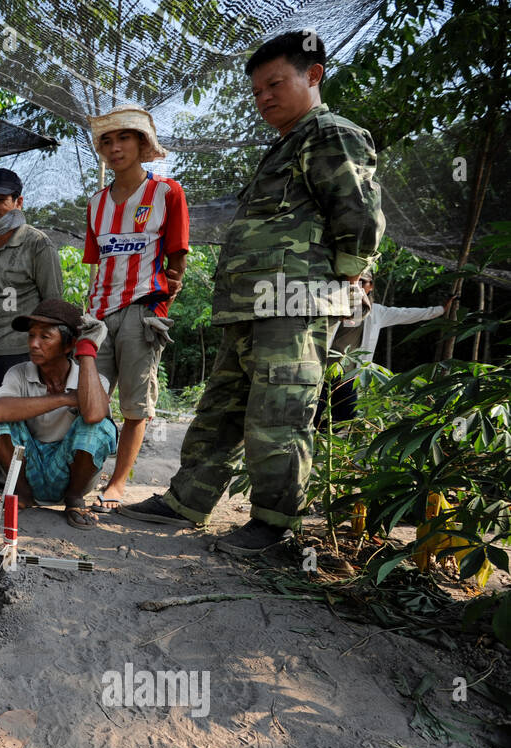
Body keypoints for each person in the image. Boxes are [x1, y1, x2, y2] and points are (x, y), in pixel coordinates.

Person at [122, 31, 385, 555]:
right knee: (221, 408)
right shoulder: (285, 144)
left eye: (275, 83)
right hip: (252, 304)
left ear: (313, 75)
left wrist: (351, 277)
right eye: (257, 88)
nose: (264, 96)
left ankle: (273, 524)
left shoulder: (330, 133)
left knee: (279, 413)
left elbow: (357, 215)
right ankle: (186, 502)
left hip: (295, 301)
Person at [83, 105, 189, 511]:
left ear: (143, 143)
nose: (114, 148)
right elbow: (99, 263)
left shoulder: (167, 193)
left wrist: (161, 306)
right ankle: (84, 475)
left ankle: (118, 483)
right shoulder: (96, 203)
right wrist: (90, 315)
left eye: (123, 138)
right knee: (89, 400)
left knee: (135, 404)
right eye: (106, 141)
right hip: (99, 313)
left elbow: (177, 261)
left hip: (143, 309)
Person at [0, 167, 63, 499]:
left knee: (5, 418)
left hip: (15, 348)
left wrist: (48, 354)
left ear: (18, 201)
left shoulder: (37, 244)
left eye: (0, 201)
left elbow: (52, 303)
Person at [0, 300, 118, 527]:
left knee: (99, 426)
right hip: (29, 470)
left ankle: (75, 500)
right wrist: (65, 398)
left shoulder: (93, 380)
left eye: (45, 337)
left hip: (70, 474)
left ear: (68, 346)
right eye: (31, 336)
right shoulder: (18, 373)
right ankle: (21, 496)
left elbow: (95, 416)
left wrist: (86, 350)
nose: (34, 344)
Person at [316, 268, 456, 424]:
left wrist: (440, 310)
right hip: (323, 371)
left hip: (350, 376)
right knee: (314, 412)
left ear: (371, 286)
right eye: (356, 282)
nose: (359, 286)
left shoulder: (376, 312)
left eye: (363, 282)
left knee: (346, 416)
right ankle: (314, 439)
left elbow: (406, 314)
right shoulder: (334, 305)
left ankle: (325, 440)